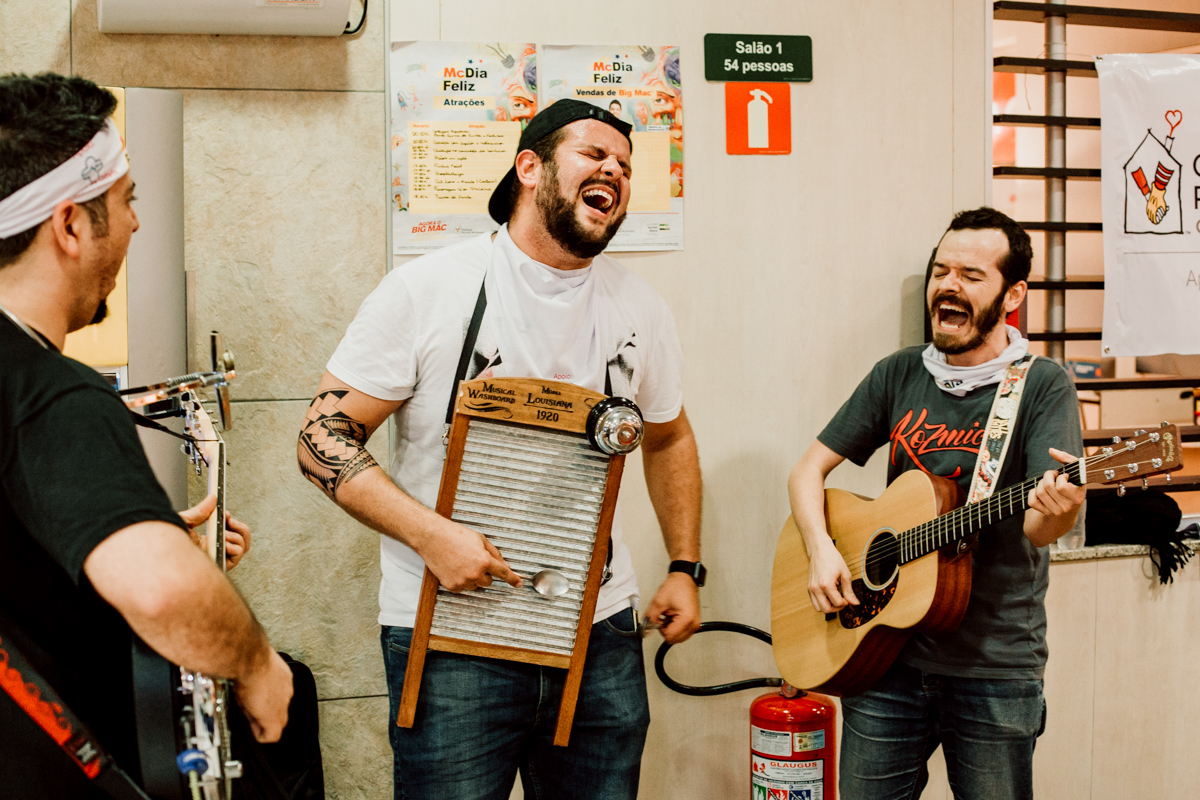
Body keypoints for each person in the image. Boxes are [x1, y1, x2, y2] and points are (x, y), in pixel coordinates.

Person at [298, 99, 703, 800]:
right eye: (594, 155)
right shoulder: (427, 291)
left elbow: (668, 436)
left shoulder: (639, 308)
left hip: (598, 632)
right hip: (454, 634)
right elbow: (318, 439)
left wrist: (685, 566)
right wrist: (434, 537)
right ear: (528, 168)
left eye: (627, 167)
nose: (615, 170)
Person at [0, 72, 293, 799]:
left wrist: (145, 530)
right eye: (127, 202)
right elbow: (161, 592)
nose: (135, 224)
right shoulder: (52, 393)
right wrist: (258, 665)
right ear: (70, 225)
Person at [786, 207, 1085, 799]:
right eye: (940, 271)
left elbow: (1042, 529)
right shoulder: (899, 374)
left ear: (1012, 294)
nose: (948, 285)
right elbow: (806, 472)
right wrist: (822, 551)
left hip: (993, 667)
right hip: (883, 652)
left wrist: (1062, 504)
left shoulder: (1042, 384)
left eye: (971, 275)